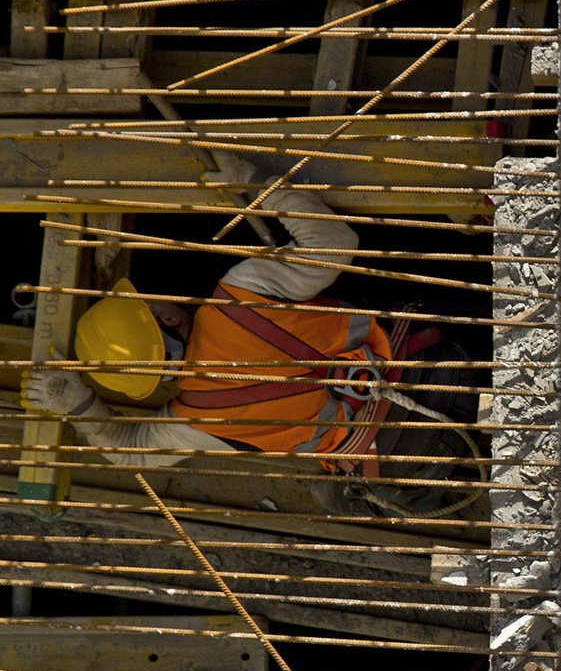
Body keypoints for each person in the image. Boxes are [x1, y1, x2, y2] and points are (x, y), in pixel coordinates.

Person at [20, 151, 477, 517]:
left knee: (334, 495)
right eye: (150, 305)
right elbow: (335, 243)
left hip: (412, 463)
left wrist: (78, 405)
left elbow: (128, 453)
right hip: (446, 379)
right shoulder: (239, 293)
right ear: (170, 320)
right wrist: (254, 181)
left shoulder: (197, 421)